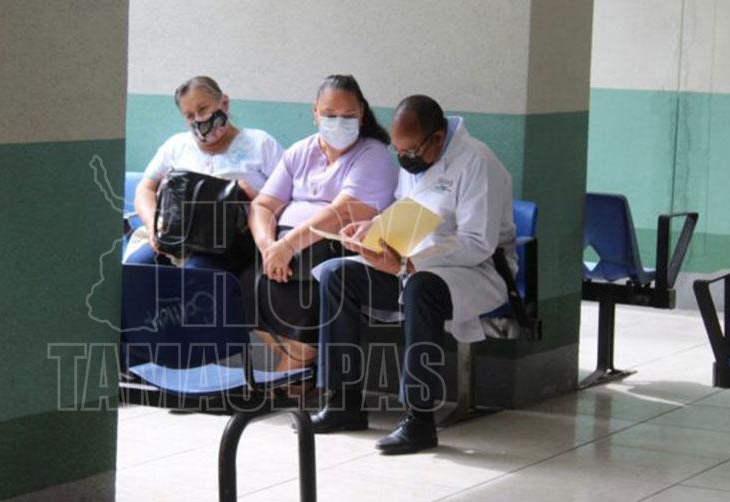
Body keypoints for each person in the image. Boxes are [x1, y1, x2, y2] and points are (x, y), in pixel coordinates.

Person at [311, 95, 517, 454]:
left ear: (437, 138)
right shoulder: (417, 160)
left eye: (411, 150)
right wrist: (373, 229)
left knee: (421, 287)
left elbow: (477, 243)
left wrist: (410, 264)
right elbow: (405, 211)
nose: (404, 159)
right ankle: (343, 402)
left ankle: (419, 419)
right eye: (398, 150)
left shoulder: (477, 162)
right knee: (336, 274)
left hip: (473, 273)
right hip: (408, 264)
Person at [248, 75, 398, 376]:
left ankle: (290, 377)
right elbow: (262, 206)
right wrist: (269, 247)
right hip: (283, 254)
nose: (339, 123)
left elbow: (344, 211)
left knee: (314, 288)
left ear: (362, 113)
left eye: (348, 115)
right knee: (242, 280)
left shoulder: (373, 154)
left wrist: (287, 246)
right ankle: (298, 371)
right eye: (329, 115)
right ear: (315, 112)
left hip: (332, 252)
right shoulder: (300, 152)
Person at [126, 76, 283, 274]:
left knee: (196, 273)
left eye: (203, 109)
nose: (198, 119)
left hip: (229, 242)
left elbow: (287, 197)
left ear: (224, 103)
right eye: (190, 115)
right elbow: (146, 188)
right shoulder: (176, 146)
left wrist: (247, 194)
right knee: (136, 268)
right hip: (177, 235)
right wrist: (152, 226)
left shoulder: (260, 144)